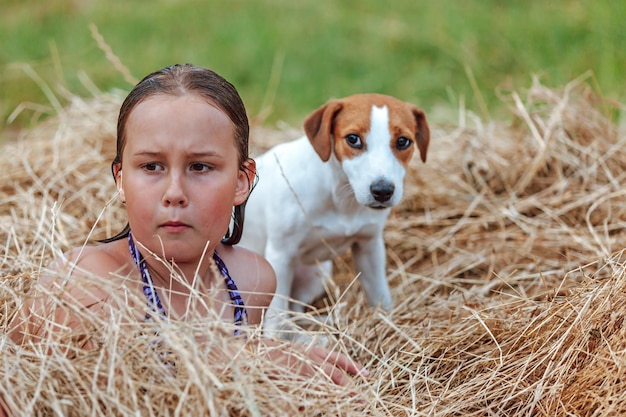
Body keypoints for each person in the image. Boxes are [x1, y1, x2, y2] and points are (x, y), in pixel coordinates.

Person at [2, 64, 366, 416]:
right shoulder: (86, 277)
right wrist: (251, 355)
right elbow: (140, 375)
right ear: (120, 180)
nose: (174, 192)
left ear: (242, 181)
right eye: (151, 167)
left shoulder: (251, 280)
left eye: (200, 167)